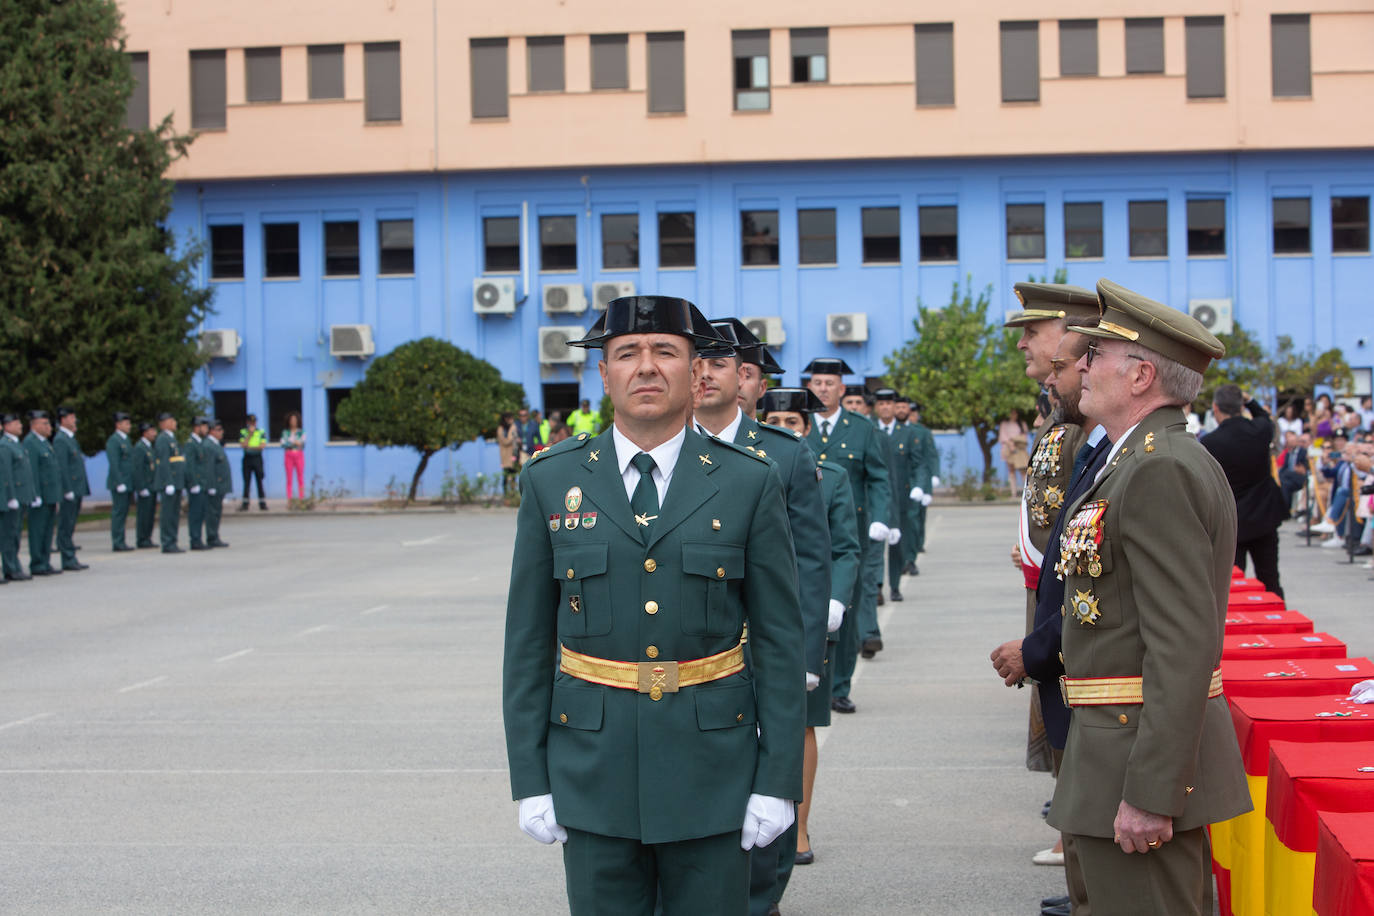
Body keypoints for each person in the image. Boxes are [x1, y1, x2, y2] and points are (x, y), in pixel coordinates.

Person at [502, 295, 804, 916]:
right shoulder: (551, 480)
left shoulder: (749, 480)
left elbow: (777, 640)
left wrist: (777, 783)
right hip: (591, 768)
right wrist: (530, 779)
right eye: (626, 354)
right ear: (604, 373)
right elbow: (528, 641)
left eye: (665, 351)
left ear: (696, 372)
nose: (645, 367)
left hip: (713, 770)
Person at [1047, 278, 1250, 915]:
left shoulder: (1158, 466)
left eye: (1097, 355)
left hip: (1134, 757)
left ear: (1139, 376)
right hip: (1110, 744)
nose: (1081, 364)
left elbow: (1184, 646)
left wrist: (1153, 790)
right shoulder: (1134, 458)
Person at [694, 318, 828, 916]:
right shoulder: (660, 452)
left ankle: (760, 898)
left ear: (743, 375)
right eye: (693, 363)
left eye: (717, 364)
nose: (702, 375)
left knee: (766, 785)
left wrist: (802, 659)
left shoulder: (783, 456)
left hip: (762, 654)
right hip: (693, 656)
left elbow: (807, 567)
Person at [991, 315, 1105, 916]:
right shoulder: (1078, 437)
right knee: (1067, 743)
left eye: (1034, 333)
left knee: (1083, 755)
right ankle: (1083, 875)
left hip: (1087, 644)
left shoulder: (1129, 452)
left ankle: (1085, 871)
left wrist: (1038, 646)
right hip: (1057, 604)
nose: (1023, 346)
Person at [760, 387, 861, 885]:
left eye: (792, 419)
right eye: (773, 417)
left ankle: (799, 827)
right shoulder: (742, 466)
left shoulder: (831, 477)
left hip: (807, 615)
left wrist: (835, 602)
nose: (784, 425)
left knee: (800, 727)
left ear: (807, 426)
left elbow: (842, 548)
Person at [805, 357, 891, 713]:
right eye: (817, 383)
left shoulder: (861, 428)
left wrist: (881, 517)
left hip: (849, 530)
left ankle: (840, 686)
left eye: (829, 383)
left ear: (842, 389)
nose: (823, 388)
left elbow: (879, 476)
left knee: (846, 608)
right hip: (804, 532)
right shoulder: (796, 423)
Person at [1201, 385, 1289, 597]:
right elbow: (1264, 417)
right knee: (1270, 579)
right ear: (1241, 406)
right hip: (1264, 515)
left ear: (1216, 408)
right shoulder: (1260, 430)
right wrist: (1250, 400)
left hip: (1233, 519)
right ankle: (1279, 623)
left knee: (1232, 585)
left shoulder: (1211, 442)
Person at [872, 389, 918, 602]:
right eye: (880, 404)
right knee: (875, 544)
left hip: (901, 496)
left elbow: (917, 462)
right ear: (876, 407)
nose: (885, 408)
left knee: (896, 544)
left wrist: (920, 486)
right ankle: (878, 586)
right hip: (877, 496)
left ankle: (895, 586)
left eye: (888, 403)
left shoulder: (906, 432)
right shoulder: (869, 430)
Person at [51, 406, 90, 571]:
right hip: (70, 488)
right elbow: (62, 467)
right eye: (71, 417)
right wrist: (67, 489)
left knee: (71, 522)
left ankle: (70, 554)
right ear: (63, 419)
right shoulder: (60, 439)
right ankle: (67, 558)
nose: (74, 420)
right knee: (66, 524)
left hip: (77, 487)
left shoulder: (70, 438)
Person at [23, 410, 62, 576]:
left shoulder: (45, 442)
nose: (49, 427)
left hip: (50, 494)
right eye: (45, 424)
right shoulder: (31, 443)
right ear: (35, 425)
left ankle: (45, 561)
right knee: (37, 530)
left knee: (47, 530)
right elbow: (32, 471)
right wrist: (35, 494)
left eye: (49, 423)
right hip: (40, 495)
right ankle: (37, 563)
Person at [1, 412, 36, 581]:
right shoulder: (5, 446)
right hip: (12, 497)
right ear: (5, 426)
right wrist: (11, 496)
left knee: (15, 533)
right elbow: (6, 474)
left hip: (21, 495)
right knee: (9, 534)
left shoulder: (17, 445)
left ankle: (14, 565)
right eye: (16, 423)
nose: (20, 425)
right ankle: (10, 567)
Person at [905, 400, 939, 573]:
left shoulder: (923, 432)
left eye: (913, 413)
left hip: (920, 480)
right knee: (908, 520)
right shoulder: (900, 431)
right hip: (903, 482)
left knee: (918, 516)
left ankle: (917, 545)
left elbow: (930, 456)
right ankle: (908, 554)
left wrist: (932, 478)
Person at [154, 412, 186, 553]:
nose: (174, 422)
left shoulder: (171, 438)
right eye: (171, 420)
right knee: (167, 514)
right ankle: (167, 542)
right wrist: (168, 482)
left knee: (174, 513)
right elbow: (164, 463)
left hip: (176, 481)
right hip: (170, 482)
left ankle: (172, 540)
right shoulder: (162, 439)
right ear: (163, 423)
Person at [105, 412, 136, 552]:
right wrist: (119, 482)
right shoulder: (114, 440)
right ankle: (117, 541)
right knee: (118, 512)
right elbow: (114, 463)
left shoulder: (125, 440)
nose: (129, 426)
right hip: (120, 483)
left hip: (127, 481)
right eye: (126, 423)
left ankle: (121, 540)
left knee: (124, 512)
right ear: (118, 425)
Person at [204, 420, 231, 548]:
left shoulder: (216, 444)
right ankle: (212, 536)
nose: (222, 432)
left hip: (219, 485)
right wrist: (211, 486)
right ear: (212, 431)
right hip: (214, 485)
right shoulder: (209, 445)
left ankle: (215, 536)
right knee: (212, 512)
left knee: (217, 511)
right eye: (219, 429)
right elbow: (209, 468)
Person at [184, 416, 210, 551]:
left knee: (201, 513)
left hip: (202, 483)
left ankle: (198, 539)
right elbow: (189, 466)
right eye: (204, 426)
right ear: (196, 427)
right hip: (196, 484)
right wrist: (193, 483)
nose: (206, 429)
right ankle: (195, 539)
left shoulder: (200, 443)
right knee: (195, 513)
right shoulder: (190, 443)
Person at [132, 421, 158, 549]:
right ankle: (142, 539)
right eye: (151, 431)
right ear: (145, 432)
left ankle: (147, 537)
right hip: (145, 486)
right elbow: (138, 469)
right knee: (144, 514)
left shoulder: (149, 447)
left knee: (150, 514)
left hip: (152, 485)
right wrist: (141, 487)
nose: (154, 434)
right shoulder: (140, 447)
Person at [999, 407, 1031, 495]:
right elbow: (1003, 437)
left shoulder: (1022, 424)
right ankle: (1014, 492)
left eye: (1015, 413)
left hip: (1019, 450)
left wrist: (1015, 441)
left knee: (1023, 471)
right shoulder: (1004, 424)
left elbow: (1024, 438)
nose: (1013, 415)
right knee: (1011, 471)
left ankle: (1026, 492)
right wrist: (1010, 444)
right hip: (1009, 450)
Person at [239, 414, 267, 511]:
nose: (253, 424)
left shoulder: (261, 432)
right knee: (247, 481)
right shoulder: (243, 432)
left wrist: (250, 447)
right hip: (247, 458)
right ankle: (245, 503)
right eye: (251, 422)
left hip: (257, 458)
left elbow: (262, 446)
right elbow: (243, 445)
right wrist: (250, 435)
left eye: (254, 422)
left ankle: (262, 503)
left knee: (259, 480)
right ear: (247, 423)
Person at [281, 411, 305, 503]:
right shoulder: (285, 432)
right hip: (288, 455)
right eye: (291, 420)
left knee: (300, 477)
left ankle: (301, 499)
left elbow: (302, 444)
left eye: (295, 420)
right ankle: (290, 500)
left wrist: (291, 443)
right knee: (289, 478)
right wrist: (294, 443)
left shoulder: (301, 432)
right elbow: (283, 444)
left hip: (299, 455)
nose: (293, 422)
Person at [496, 412, 521, 494]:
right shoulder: (501, 429)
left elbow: (517, 438)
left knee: (514, 474)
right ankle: (506, 494)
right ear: (506, 419)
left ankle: (513, 493)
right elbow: (505, 441)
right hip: (505, 455)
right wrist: (512, 437)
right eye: (510, 418)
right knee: (506, 475)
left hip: (513, 454)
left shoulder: (513, 427)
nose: (512, 420)